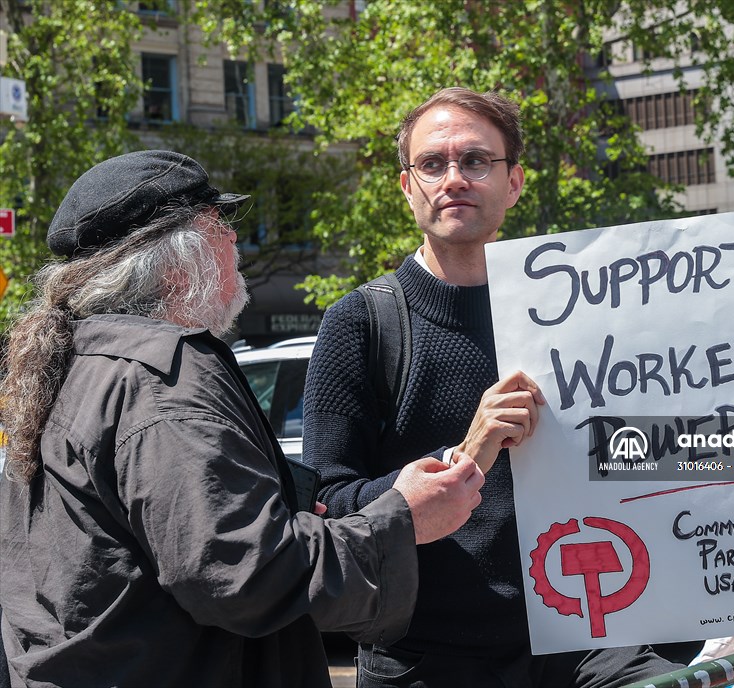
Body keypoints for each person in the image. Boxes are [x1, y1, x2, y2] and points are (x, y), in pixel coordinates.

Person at [0, 150, 485, 688]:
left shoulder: (81, 363)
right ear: (178, 263)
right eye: (218, 225)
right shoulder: (160, 379)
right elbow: (242, 573)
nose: (234, 240)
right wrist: (401, 518)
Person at [304, 87, 682, 687]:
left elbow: (670, 455)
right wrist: (466, 453)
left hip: (585, 638)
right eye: (433, 163)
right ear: (407, 188)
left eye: (476, 161)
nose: (454, 178)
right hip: (427, 658)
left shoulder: (584, 310)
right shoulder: (361, 323)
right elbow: (330, 507)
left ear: (514, 183)